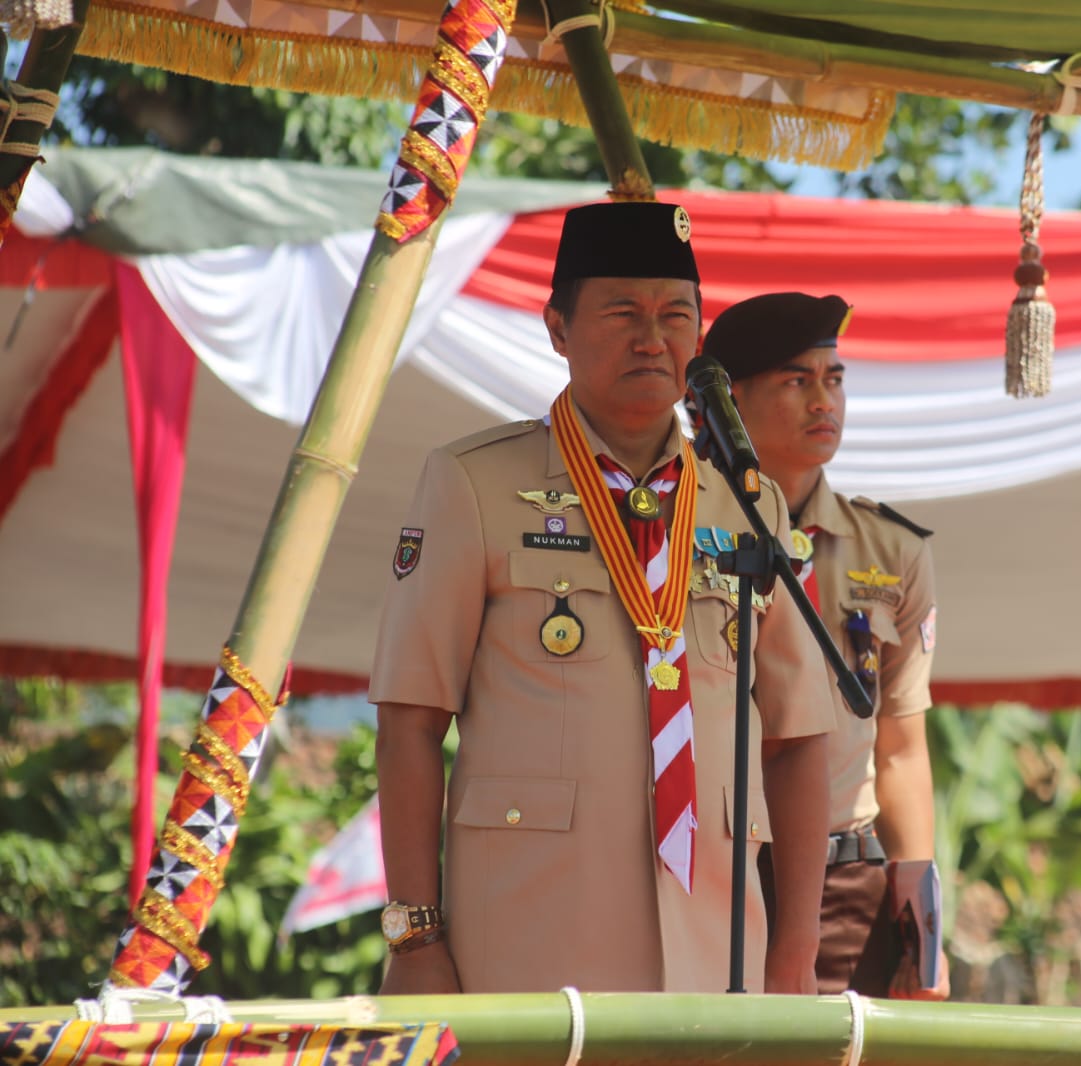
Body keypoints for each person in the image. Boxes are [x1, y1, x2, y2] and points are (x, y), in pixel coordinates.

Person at [368, 203, 834, 997]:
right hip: (530, 943)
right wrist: (415, 939)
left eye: (674, 314)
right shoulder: (473, 483)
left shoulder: (747, 506)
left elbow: (797, 740)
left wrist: (793, 952)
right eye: (622, 311)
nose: (652, 338)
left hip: (716, 955)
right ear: (557, 327)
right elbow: (412, 717)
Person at [704, 292, 949, 999]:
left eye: (833, 380)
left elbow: (900, 745)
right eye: (795, 380)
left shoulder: (889, 548)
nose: (823, 401)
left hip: (845, 887)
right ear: (730, 401)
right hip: (704, 866)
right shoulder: (671, 527)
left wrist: (920, 920)